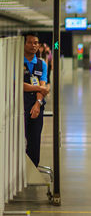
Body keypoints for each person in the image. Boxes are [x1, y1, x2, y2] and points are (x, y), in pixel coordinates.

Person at [23, 33, 49, 167]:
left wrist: (38, 104)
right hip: (19, 106)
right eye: (30, 42)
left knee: (35, 141)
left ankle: (32, 169)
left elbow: (43, 88)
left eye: (36, 43)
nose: (34, 45)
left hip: (36, 106)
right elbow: (17, 85)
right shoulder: (16, 62)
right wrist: (38, 87)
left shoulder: (41, 64)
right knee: (18, 140)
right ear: (23, 44)